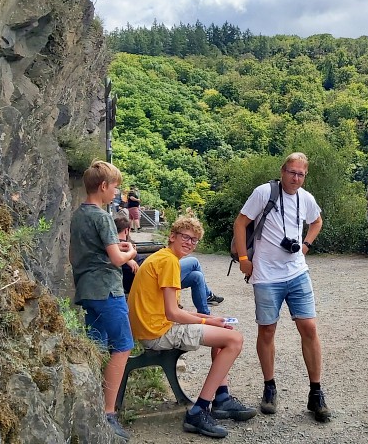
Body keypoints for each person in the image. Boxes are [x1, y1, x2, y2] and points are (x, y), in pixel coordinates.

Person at [128, 216, 256, 438]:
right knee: (234, 340)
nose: (189, 243)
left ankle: (222, 398)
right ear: (172, 236)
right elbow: (173, 313)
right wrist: (206, 320)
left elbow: (173, 312)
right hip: (157, 333)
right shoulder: (168, 262)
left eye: (194, 240)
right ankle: (198, 411)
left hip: (153, 327)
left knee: (224, 331)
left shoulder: (165, 258)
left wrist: (211, 320)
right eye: (185, 237)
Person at [232, 152, 332, 422]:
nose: (295, 178)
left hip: (297, 272)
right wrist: (244, 259)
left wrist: (306, 244)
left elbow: (317, 221)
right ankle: (269, 387)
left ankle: (316, 392)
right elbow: (241, 223)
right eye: (291, 172)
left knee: (309, 328)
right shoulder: (264, 192)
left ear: (305, 175)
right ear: (282, 171)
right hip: (266, 275)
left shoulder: (306, 199)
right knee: (267, 330)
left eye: (300, 174)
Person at [69, 160, 139, 441]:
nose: (117, 192)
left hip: (86, 290)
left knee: (96, 349)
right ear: (103, 186)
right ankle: (108, 413)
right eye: (115, 187)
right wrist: (130, 252)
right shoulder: (102, 217)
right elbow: (115, 259)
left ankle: (91, 406)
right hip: (108, 291)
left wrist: (115, 247)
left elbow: (82, 253)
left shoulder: (78, 215)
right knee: (122, 346)